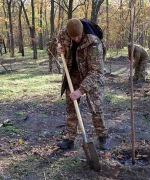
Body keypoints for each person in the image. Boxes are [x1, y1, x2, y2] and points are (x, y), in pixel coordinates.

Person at [57, 18, 108, 150]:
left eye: (78, 36)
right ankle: (69, 138)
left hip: (91, 74)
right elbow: (54, 45)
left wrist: (81, 90)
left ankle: (102, 136)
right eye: (73, 37)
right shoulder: (64, 34)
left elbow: (96, 71)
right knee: (71, 106)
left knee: (96, 106)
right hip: (73, 73)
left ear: (83, 32)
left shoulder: (94, 42)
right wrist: (59, 50)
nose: (76, 39)